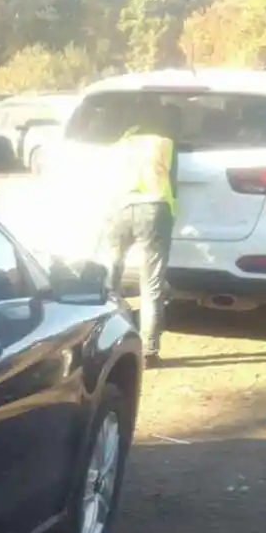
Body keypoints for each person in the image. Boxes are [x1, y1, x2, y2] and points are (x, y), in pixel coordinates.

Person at [97, 104, 178, 363]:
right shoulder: (164, 143)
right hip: (154, 210)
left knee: (111, 277)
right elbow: (172, 184)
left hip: (119, 208)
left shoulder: (122, 144)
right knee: (151, 285)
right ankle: (149, 351)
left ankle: (106, 340)